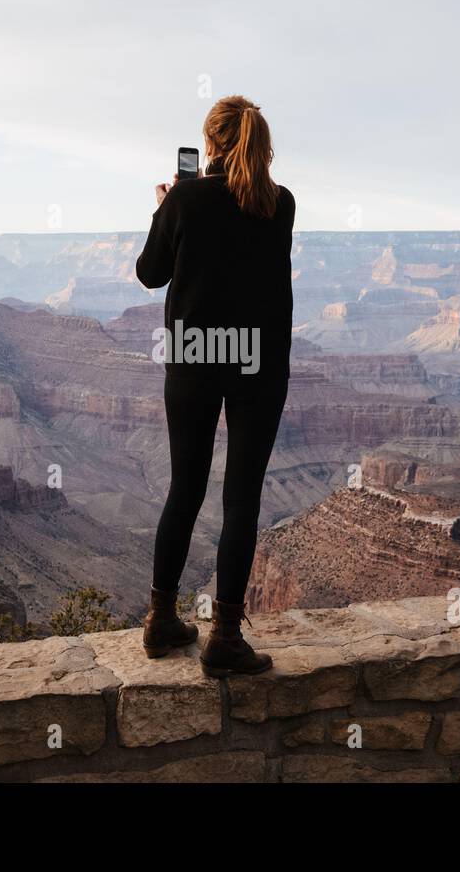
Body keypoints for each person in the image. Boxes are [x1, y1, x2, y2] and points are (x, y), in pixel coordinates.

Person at [135, 95, 295, 677]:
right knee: (241, 498)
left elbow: (151, 273)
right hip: (256, 361)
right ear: (260, 145)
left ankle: (160, 620)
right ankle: (225, 637)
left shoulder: (185, 199)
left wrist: (165, 209)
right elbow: (250, 254)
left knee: (186, 488)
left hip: (195, 357)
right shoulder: (281, 205)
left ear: (209, 145)